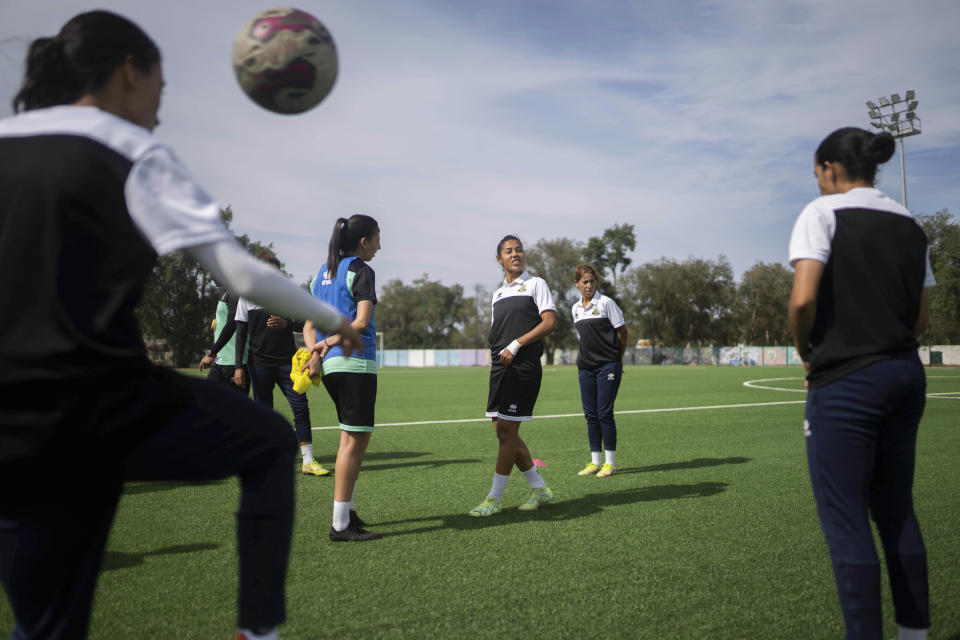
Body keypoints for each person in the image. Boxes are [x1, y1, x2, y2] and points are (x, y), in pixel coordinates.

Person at [0, 11, 361, 640]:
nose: (160, 112)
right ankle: (258, 631)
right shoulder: (132, 151)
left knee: (49, 629)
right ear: (127, 71)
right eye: (161, 92)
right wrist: (333, 318)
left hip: (10, 426)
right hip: (101, 404)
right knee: (269, 443)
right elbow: (244, 276)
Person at [788, 127, 935, 640]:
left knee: (847, 519)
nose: (818, 182)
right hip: (905, 375)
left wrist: (809, 355)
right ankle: (913, 633)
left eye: (817, 174)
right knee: (896, 510)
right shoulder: (911, 224)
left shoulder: (821, 213)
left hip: (847, 380)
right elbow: (920, 316)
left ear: (830, 168)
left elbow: (803, 300)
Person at [302, 215, 382, 542]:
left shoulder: (323, 273)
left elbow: (308, 326)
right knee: (352, 442)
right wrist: (327, 344)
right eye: (377, 238)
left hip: (333, 368)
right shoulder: (360, 270)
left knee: (354, 439)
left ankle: (346, 512)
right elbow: (360, 322)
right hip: (355, 363)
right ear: (363, 241)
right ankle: (339, 525)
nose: (380, 245)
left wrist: (316, 352)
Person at [469, 235, 557, 517]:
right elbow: (498, 332)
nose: (515, 254)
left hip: (523, 367)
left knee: (507, 431)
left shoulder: (535, 284)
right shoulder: (497, 294)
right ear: (500, 260)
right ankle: (540, 489)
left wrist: (516, 344)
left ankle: (494, 499)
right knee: (501, 431)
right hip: (499, 367)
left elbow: (549, 322)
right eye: (509, 251)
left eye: (519, 250)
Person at [233, 250, 329, 477]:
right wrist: (239, 366)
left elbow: (305, 324)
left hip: (289, 364)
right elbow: (240, 334)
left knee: (300, 408)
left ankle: (308, 461)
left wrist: (286, 323)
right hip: (259, 365)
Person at [571, 264, 628, 478]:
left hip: (608, 366)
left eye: (591, 281)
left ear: (596, 283)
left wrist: (617, 358)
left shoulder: (606, 303)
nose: (588, 285)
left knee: (604, 413)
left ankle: (609, 463)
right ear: (577, 284)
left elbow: (622, 331)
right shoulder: (576, 309)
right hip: (586, 368)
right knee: (591, 415)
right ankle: (595, 462)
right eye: (584, 282)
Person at [199, 288, 250, 394]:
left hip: (234, 362)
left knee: (235, 408)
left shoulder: (236, 292)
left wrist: (211, 353)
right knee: (206, 403)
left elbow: (232, 324)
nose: (211, 277)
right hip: (219, 361)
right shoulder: (226, 292)